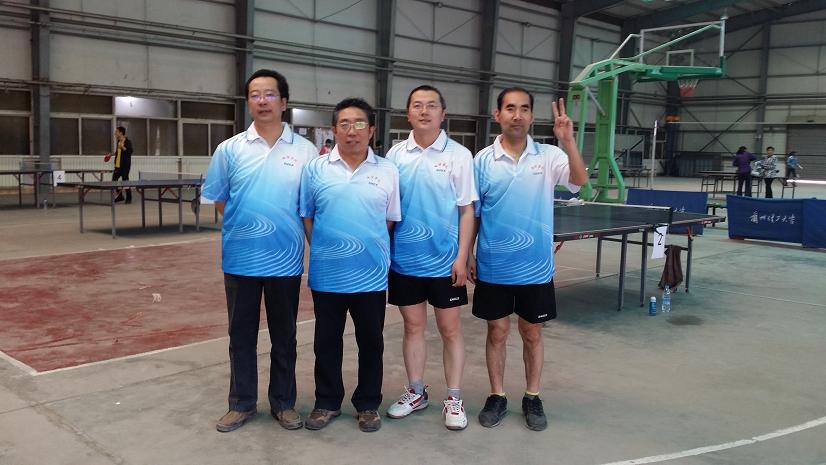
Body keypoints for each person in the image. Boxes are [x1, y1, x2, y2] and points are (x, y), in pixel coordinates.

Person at [203, 69, 317, 433]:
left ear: (283, 102)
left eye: (270, 94)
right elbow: (220, 200)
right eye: (255, 95)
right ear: (248, 102)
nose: (262, 101)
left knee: (285, 336)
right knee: (241, 336)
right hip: (240, 259)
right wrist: (248, 227)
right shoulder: (230, 149)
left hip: (285, 259)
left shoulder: (305, 151)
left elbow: (309, 207)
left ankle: (283, 403)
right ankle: (241, 404)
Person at [469, 88, 587, 431]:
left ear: (532, 117)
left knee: (532, 332)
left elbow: (579, 181)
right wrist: (469, 253)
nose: (517, 115)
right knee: (497, 331)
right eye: (510, 108)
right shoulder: (482, 160)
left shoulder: (549, 155)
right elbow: (474, 213)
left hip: (535, 266)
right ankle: (497, 395)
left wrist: (569, 141)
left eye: (524, 109)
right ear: (498, 115)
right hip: (494, 264)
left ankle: (532, 396)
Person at [300, 98, 401, 433]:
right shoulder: (315, 169)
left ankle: (368, 404)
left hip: (371, 274)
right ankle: (327, 402)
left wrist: (366, 245)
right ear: (334, 130)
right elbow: (308, 216)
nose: (351, 131)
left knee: (371, 342)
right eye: (344, 124)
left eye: (359, 124)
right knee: (326, 342)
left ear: (371, 130)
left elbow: (389, 219)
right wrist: (326, 248)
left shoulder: (387, 170)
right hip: (327, 274)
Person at [385, 85, 477, 431]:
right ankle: (416, 392)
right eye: (417, 105)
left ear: (443, 113)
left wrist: (462, 256)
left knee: (450, 329)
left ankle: (454, 397)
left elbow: (467, 210)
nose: (424, 111)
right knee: (412, 327)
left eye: (432, 106)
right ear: (408, 113)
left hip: (445, 262)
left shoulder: (459, 155)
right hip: (405, 261)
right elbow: (388, 210)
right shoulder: (395, 155)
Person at [108, 126, 133, 203]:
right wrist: (111, 154)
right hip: (117, 165)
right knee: (114, 181)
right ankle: (120, 196)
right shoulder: (118, 141)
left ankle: (129, 198)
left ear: (121, 133)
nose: (115, 133)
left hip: (125, 166)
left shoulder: (127, 142)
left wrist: (123, 147)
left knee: (125, 181)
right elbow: (118, 152)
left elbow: (130, 152)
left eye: (116, 132)